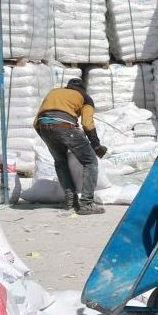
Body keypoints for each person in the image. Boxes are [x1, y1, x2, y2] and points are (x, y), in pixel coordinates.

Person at [35, 75, 108, 215]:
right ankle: (86, 203)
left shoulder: (54, 93)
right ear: (83, 89)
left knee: (60, 162)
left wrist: (48, 138)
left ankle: (70, 201)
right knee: (90, 162)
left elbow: (36, 121)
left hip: (43, 127)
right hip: (65, 126)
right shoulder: (85, 97)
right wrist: (97, 146)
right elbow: (87, 123)